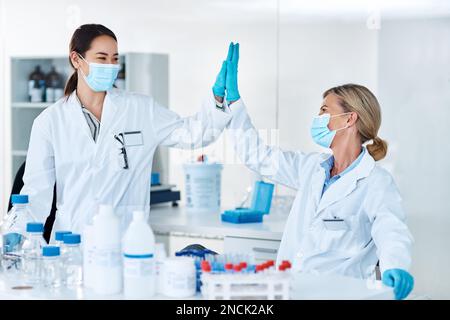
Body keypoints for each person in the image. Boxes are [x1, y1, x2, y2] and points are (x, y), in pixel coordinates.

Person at [219, 42, 414, 300]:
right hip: (287, 291)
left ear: (349, 119)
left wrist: (397, 267)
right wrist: (233, 102)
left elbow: (391, 229)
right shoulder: (312, 168)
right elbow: (258, 157)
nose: (317, 117)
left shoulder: (376, 183)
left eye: (324, 110)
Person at [20, 24, 232, 236]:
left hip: (126, 244)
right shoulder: (49, 122)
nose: (111, 66)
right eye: (102, 58)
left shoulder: (140, 109)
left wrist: (218, 98)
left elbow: (194, 134)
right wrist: (16, 236)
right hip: (72, 244)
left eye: (115, 59)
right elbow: (36, 194)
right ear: (76, 60)